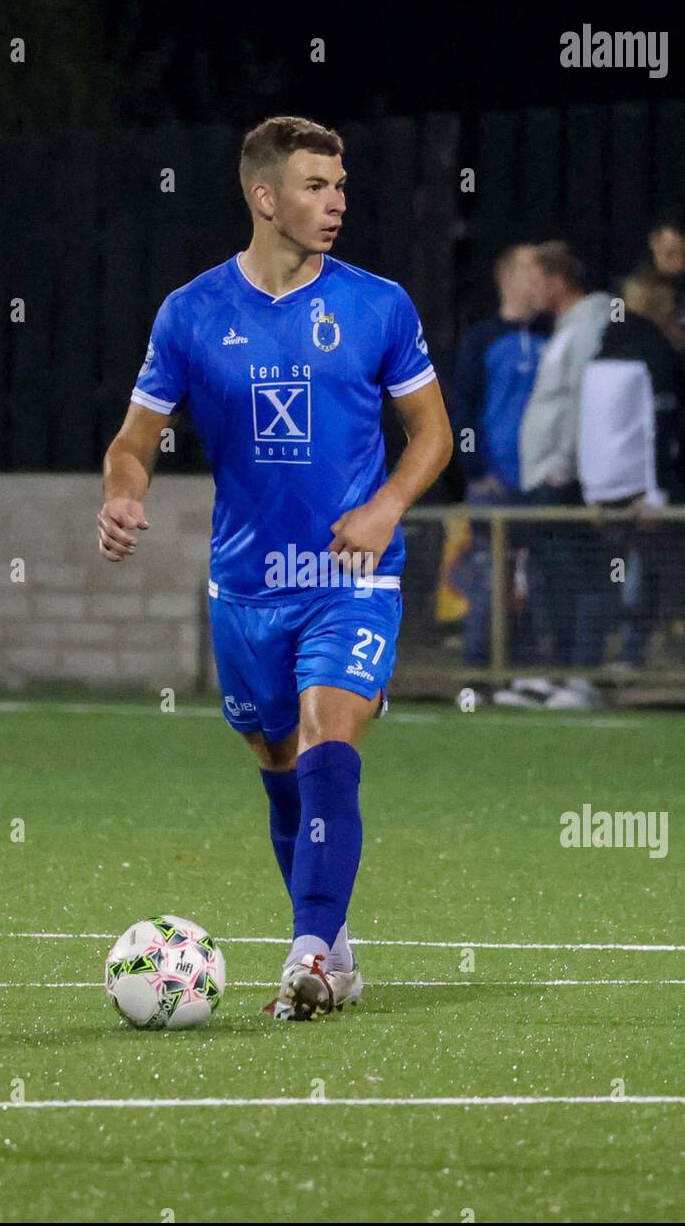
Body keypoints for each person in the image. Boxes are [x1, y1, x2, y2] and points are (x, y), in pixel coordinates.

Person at [98, 115, 452, 1021]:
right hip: (247, 589)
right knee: (280, 764)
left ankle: (306, 955)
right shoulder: (191, 313)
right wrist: (123, 492)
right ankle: (332, 941)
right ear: (265, 197)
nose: (335, 203)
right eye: (315, 187)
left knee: (329, 734)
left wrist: (384, 509)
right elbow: (135, 442)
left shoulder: (379, 305)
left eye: (340, 186)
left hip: (350, 576)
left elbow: (433, 435)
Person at [574, 267, 685, 675]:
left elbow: (587, 424)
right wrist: (657, 491)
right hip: (643, 491)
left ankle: (592, 663)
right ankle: (630, 654)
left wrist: (591, 486)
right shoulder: (653, 353)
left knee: (609, 574)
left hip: (603, 489)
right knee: (647, 573)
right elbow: (656, 425)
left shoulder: (605, 349)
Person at [516, 241, 610, 694]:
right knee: (548, 576)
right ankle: (555, 674)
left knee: (575, 574)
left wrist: (566, 464)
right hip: (545, 478)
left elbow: (584, 397)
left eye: (534, 280)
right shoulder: (565, 328)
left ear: (556, 279)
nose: (528, 290)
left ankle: (581, 676)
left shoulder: (588, 323)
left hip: (563, 478)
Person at [452, 245, 548, 666]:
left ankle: (526, 673)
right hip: (496, 486)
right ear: (505, 278)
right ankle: (479, 674)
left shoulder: (553, 338)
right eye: (530, 273)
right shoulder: (481, 340)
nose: (537, 283)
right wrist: (478, 470)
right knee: (491, 579)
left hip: (542, 486)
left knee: (540, 581)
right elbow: (463, 410)